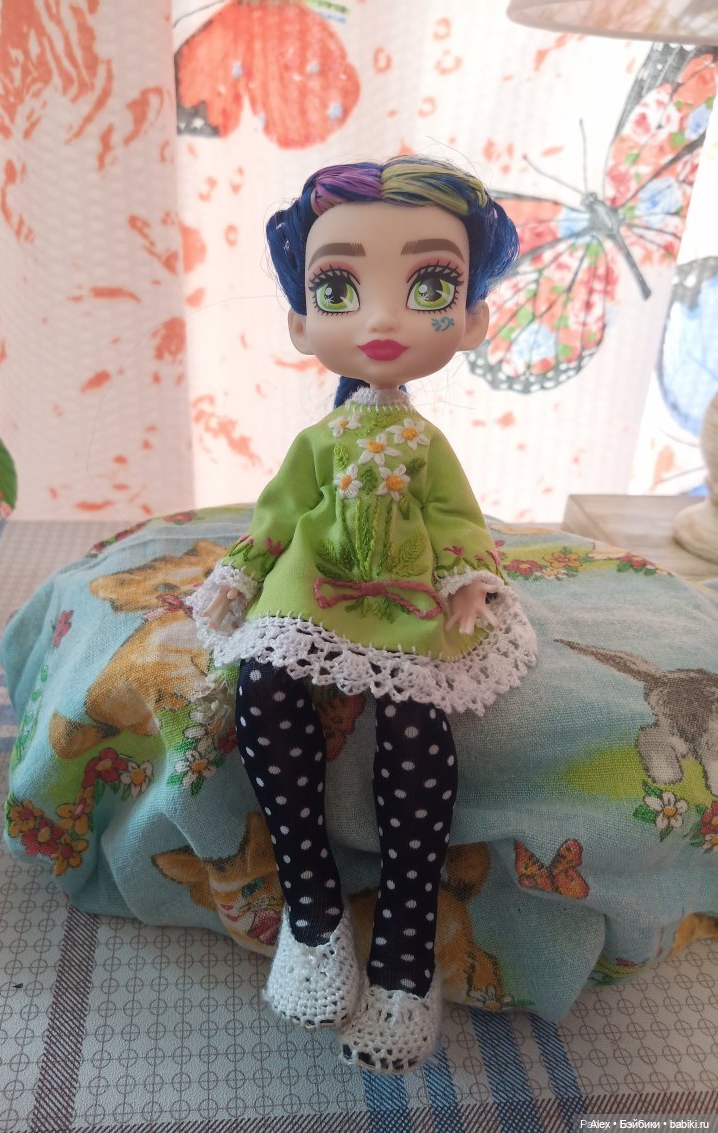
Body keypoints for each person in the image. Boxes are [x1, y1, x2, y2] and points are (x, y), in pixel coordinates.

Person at [189, 156, 537, 1074]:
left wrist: (468, 576)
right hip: (314, 585)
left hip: (406, 594)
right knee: (264, 682)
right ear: (303, 321)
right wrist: (241, 573)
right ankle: (312, 913)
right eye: (340, 288)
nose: (382, 319)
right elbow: (277, 514)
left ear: (471, 318)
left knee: (417, 718)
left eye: (430, 286)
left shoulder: (424, 442)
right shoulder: (321, 440)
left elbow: (455, 518)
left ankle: (405, 951)